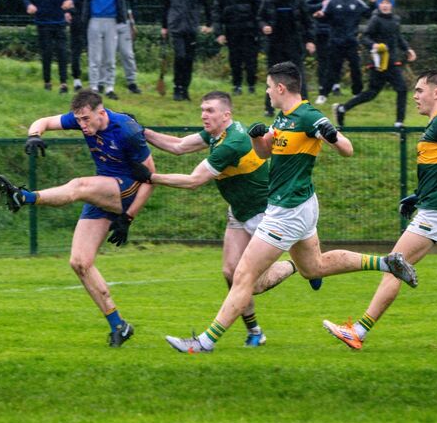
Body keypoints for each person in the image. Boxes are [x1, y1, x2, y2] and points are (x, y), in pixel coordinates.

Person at [164, 62, 418, 354]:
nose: (268, 92)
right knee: (314, 267)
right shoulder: (282, 118)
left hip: (288, 210)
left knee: (243, 276)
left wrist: (332, 135)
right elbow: (264, 152)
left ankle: (204, 342)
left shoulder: (309, 116)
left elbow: (347, 149)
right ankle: (386, 263)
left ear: (281, 88)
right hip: (299, 204)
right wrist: (259, 137)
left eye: (269, 87)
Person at [133, 91, 317, 346]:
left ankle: (295, 265)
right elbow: (178, 146)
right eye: (202, 109)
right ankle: (255, 332)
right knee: (230, 273)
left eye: (209, 110)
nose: (203, 115)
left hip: (261, 213)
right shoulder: (216, 134)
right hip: (238, 211)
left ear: (226, 115)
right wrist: (142, 132)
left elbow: (194, 181)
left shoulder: (232, 143)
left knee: (254, 283)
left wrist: (151, 177)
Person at [0, 90, 155, 347]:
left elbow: (151, 179)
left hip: (126, 191)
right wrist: (34, 136)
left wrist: (128, 217)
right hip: (102, 190)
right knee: (80, 262)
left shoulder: (125, 129)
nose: (82, 125)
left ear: (101, 113)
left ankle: (24, 197)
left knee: (79, 186)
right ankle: (119, 326)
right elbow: (44, 121)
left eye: (86, 119)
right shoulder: (82, 119)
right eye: (78, 120)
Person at [323, 70, 437, 349]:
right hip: (432, 207)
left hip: (436, 213)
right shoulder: (435, 124)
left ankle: (358, 332)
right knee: (395, 265)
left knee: (394, 264)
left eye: (419, 90)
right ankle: (358, 332)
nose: (414, 96)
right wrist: (418, 195)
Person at [333, 0, 416, 129]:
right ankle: (342, 109)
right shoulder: (375, 19)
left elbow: (398, 38)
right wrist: (374, 45)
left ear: (392, 5)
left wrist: (408, 49)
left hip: (392, 63)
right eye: (382, 2)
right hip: (378, 64)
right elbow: (364, 38)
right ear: (378, 4)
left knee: (402, 89)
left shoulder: (395, 20)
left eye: (388, 3)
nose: (385, 5)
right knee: (371, 93)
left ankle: (399, 123)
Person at [72, 0, 134, 100]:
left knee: (110, 57)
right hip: (94, 21)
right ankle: (94, 86)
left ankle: (109, 87)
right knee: (95, 56)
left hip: (111, 21)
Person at [258, 0, 315, 117]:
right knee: (273, 77)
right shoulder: (268, 0)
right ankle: (269, 107)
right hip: (274, 45)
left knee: (297, 75)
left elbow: (307, 22)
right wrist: (264, 26)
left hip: (293, 44)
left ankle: (304, 106)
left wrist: (309, 40)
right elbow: (260, 18)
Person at [315, 0, 373, 101]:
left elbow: (369, 14)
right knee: (332, 69)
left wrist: (372, 2)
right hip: (335, 41)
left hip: (351, 41)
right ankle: (323, 94)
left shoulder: (357, 1)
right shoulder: (332, 0)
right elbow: (324, 16)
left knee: (355, 68)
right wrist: (320, 15)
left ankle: (357, 92)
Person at [23, 0, 76, 93]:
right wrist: (29, 5)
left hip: (59, 22)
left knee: (62, 53)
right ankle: (47, 82)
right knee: (46, 53)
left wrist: (71, 0)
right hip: (43, 22)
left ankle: (63, 83)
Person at [161, 0, 210, 101]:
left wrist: (208, 23)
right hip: (176, 28)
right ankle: (177, 87)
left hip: (192, 29)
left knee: (189, 59)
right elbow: (165, 7)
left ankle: (185, 89)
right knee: (180, 56)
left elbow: (206, 6)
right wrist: (164, 26)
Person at [212, 0, 262, 95]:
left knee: (251, 60)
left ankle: (251, 85)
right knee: (235, 60)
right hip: (231, 30)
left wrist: (260, 26)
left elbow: (259, 6)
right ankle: (237, 85)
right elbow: (216, 11)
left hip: (249, 29)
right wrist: (218, 32)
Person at [305, 0, 338, 102]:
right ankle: (321, 86)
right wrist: (321, 5)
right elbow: (307, 6)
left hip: (337, 29)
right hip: (321, 29)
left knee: (336, 59)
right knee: (323, 59)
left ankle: (335, 85)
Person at [110, 0, 140, 95]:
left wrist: (132, 19)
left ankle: (131, 82)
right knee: (107, 55)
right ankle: (106, 84)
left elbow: (132, 1)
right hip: (108, 20)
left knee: (127, 53)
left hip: (124, 20)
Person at [66, 0, 88, 91]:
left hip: (90, 15)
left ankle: (96, 81)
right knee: (75, 48)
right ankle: (76, 79)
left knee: (93, 49)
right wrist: (66, 10)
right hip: (75, 15)